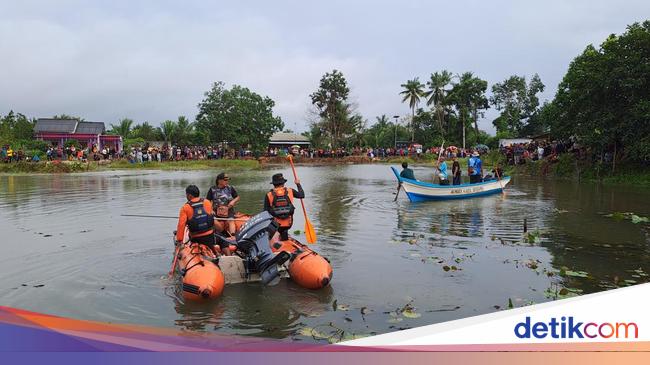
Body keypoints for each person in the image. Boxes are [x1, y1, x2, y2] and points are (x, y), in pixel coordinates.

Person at [175, 185, 222, 255]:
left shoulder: (185, 208)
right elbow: (211, 218)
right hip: (210, 237)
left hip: (196, 238)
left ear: (189, 195)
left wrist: (179, 241)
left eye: (186, 194)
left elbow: (181, 225)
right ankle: (216, 253)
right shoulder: (207, 202)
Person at [264, 173, 305, 241]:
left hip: (276, 224)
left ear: (274, 184)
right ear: (283, 183)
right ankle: (285, 239)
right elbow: (302, 195)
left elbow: (265, 211)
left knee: (272, 232)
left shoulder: (269, 194)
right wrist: (298, 184)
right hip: (289, 223)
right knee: (284, 231)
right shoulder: (290, 191)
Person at [206, 172, 240, 237]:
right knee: (214, 221)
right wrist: (210, 209)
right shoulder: (212, 189)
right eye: (225, 180)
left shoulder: (230, 188)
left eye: (228, 180)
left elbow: (237, 197)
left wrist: (233, 202)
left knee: (231, 220)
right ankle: (222, 233)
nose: (227, 182)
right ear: (219, 180)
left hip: (228, 209)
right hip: (216, 211)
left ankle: (232, 236)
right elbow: (207, 201)